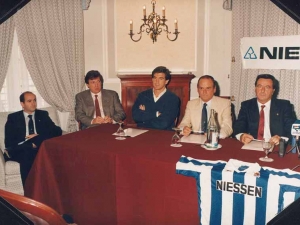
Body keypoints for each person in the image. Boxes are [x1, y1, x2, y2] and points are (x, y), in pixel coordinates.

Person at [4, 91, 62, 185]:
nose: (33, 103)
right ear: (22, 104)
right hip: (21, 149)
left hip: (39, 147)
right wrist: (30, 143)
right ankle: (30, 192)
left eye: (34, 100)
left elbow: (57, 131)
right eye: (29, 101)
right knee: (27, 153)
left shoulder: (42, 115)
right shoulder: (13, 118)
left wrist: (38, 138)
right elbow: (9, 142)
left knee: (39, 152)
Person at [233, 74, 296, 145]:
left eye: (267, 87)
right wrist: (242, 136)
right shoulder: (246, 105)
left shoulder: (284, 106)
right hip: (251, 145)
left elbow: (292, 129)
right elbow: (238, 126)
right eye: (259, 86)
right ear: (255, 89)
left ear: (273, 91)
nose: (262, 90)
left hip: (275, 147)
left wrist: (281, 139)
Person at [132, 66, 180, 130]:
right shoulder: (143, 95)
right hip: (142, 133)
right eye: (154, 78)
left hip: (164, 135)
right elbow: (136, 117)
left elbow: (164, 123)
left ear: (166, 81)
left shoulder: (173, 99)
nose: (157, 82)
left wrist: (145, 115)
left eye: (161, 79)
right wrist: (156, 114)